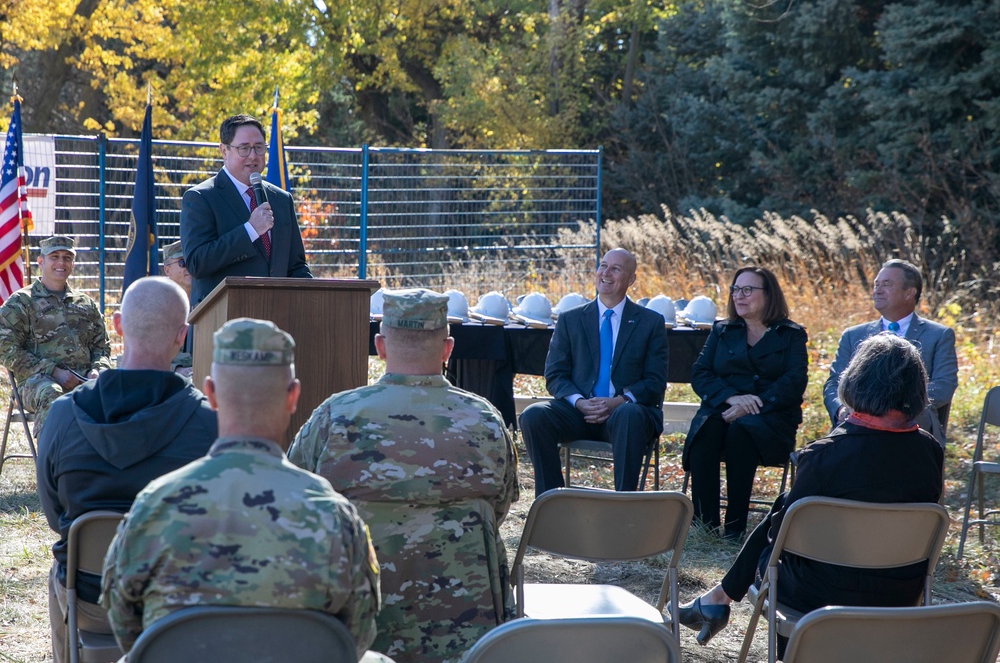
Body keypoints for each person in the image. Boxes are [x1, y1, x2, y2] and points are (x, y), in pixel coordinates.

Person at [101, 318, 380, 660]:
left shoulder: (154, 506)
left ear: (211, 394)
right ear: (293, 396)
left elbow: (127, 631)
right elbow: (355, 638)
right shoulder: (335, 517)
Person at [289, 288, 518, 663]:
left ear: (379, 346)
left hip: (360, 638)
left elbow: (299, 504)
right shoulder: (486, 421)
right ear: (447, 349)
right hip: (467, 638)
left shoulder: (335, 417)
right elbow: (498, 508)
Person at [675, 334, 944, 653]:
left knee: (786, 515)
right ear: (917, 390)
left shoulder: (823, 455)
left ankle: (719, 599)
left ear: (856, 381)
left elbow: (782, 541)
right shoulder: (931, 451)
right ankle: (717, 598)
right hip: (899, 592)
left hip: (818, 597)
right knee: (788, 505)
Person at [36, 276, 217, 663]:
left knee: (60, 567)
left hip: (89, 600)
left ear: (117, 325)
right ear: (182, 336)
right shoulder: (207, 423)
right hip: (178, 602)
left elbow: (56, 516)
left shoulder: (63, 415)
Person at [518, 248, 668, 495]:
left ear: (631, 280)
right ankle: (552, 500)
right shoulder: (571, 319)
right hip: (578, 412)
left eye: (616, 269)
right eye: (603, 265)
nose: (605, 273)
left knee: (629, 414)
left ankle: (624, 502)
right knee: (534, 415)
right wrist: (579, 403)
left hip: (624, 414)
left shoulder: (650, 322)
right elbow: (555, 374)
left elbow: (655, 381)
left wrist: (618, 402)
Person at [683, 266, 808, 541]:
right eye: (736, 290)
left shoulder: (791, 335)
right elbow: (700, 373)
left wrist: (754, 403)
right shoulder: (722, 330)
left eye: (748, 290)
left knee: (743, 429)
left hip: (771, 417)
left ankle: (735, 529)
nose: (739, 296)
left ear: (769, 295)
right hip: (723, 409)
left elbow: (794, 381)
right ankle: (706, 527)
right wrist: (732, 398)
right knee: (707, 429)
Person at [180, 114, 311, 307]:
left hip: (278, 317)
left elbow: (296, 265)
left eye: (259, 147)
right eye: (244, 148)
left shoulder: (281, 199)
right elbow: (198, 263)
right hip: (224, 318)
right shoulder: (201, 197)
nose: (253, 155)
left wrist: (315, 298)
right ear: (224, 150)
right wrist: (250, 230)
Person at [823, 258, 957, 446]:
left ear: (909, 292)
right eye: (876, 284)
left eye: (887, 284)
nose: (877, 290)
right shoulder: (853, 335)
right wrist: (840, 410)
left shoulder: (938, 335)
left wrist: (896, 408)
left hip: (913, 430)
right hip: (856, 429)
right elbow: (834, 383)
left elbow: (944, 385)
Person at [0, 236, 112, 437]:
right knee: (53, 394)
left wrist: (97, 370)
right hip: (37, 382)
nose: (61, 263)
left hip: (84, 379)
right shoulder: (22, 302)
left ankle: (105, 463)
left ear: (73, 263)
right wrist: (53, 371)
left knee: (117, 392)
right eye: (55, 257)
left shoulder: (85, 304)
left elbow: (101, 348)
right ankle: (52, 463)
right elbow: (5, 348)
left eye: (67, 257)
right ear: (40, 261)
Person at [161, 240, 193, 375]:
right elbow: (147, 351)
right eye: (182, 262)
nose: (189, 267)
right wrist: (177, 369)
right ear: (167, 270)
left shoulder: (208, 299)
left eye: (192, 260)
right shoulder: (157, 305)